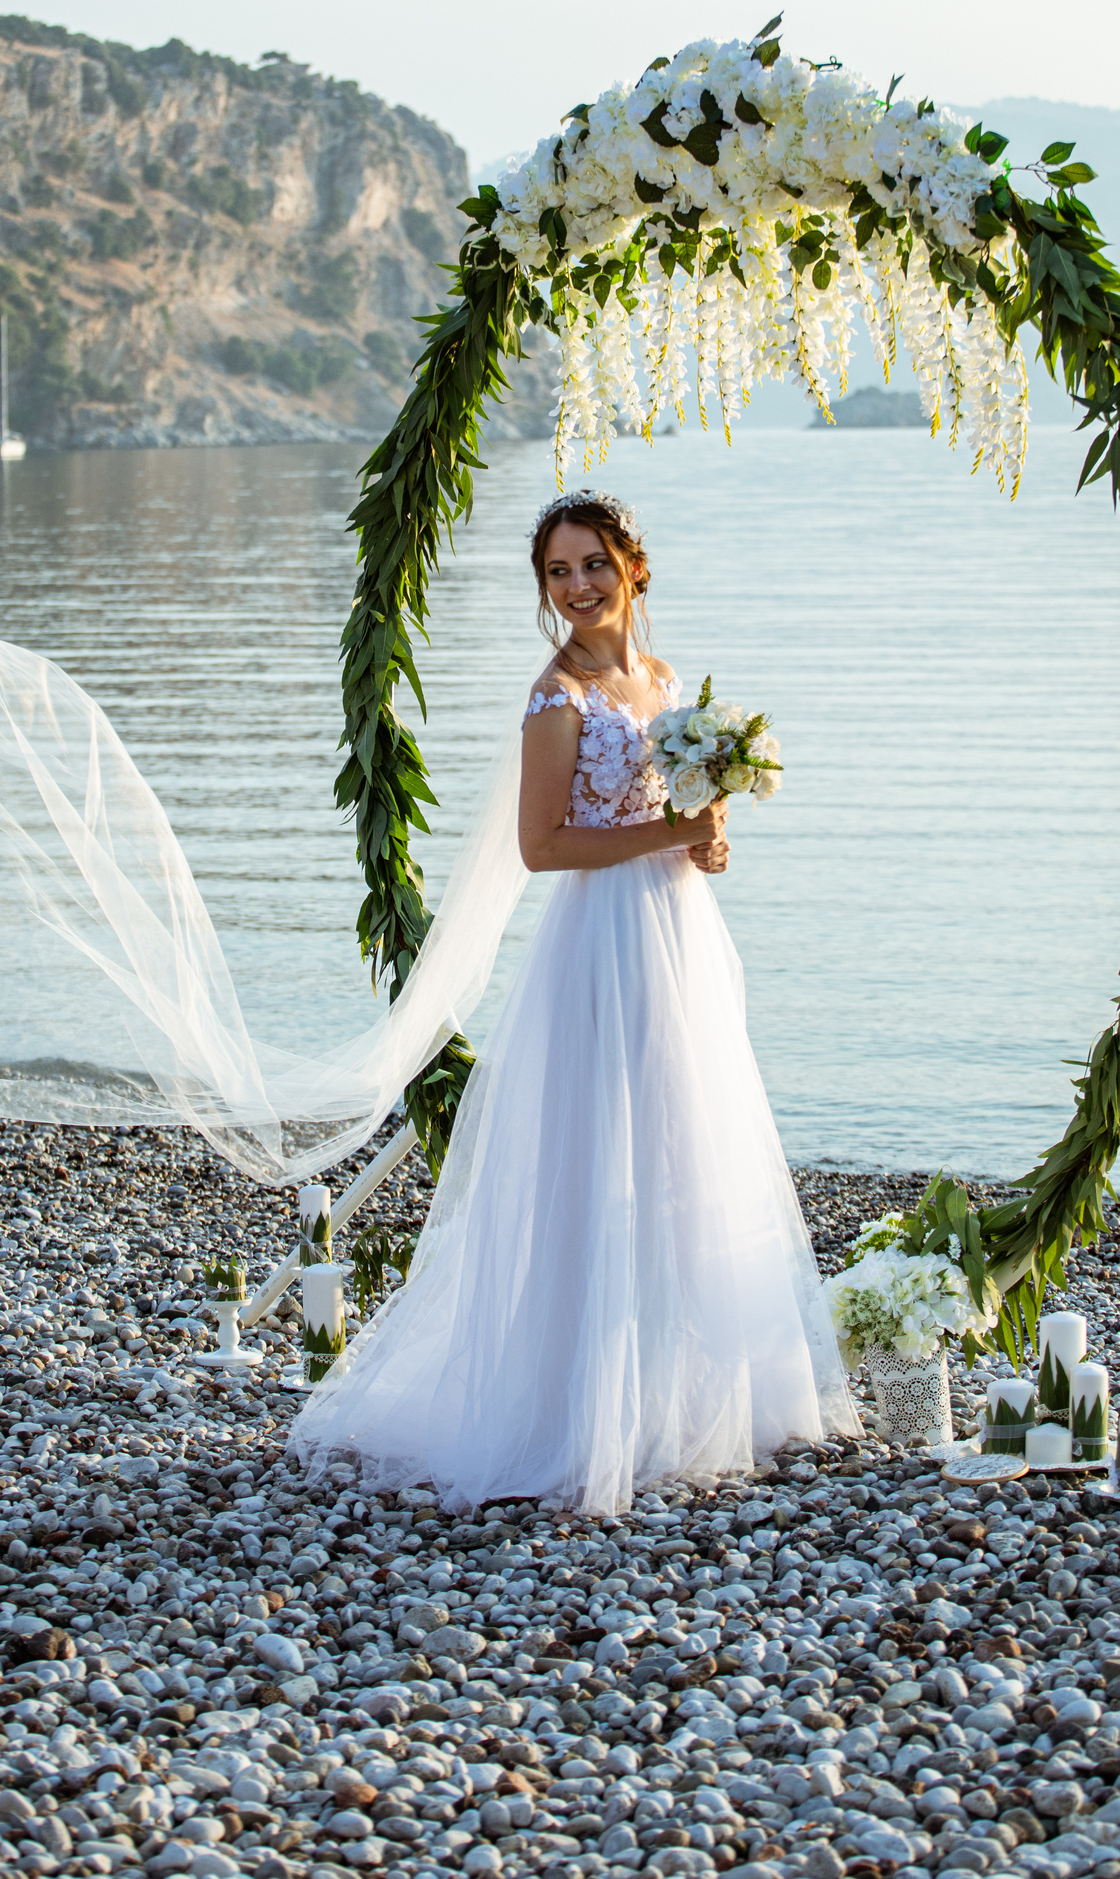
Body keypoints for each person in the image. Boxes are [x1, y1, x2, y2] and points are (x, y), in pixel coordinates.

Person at [288, 488, 856, 1514]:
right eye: (558, 571)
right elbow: (541, 846)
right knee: (603, 1152)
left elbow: (681, 814)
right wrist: (668, 839)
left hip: (678, 935)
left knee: (685, 1146)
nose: (577, 585)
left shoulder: (663, 682)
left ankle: (681, 1397)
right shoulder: (557, 700)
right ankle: (578, 1410)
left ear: (633, 567)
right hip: (598, 946)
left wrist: (709, 836)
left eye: (593, 563)